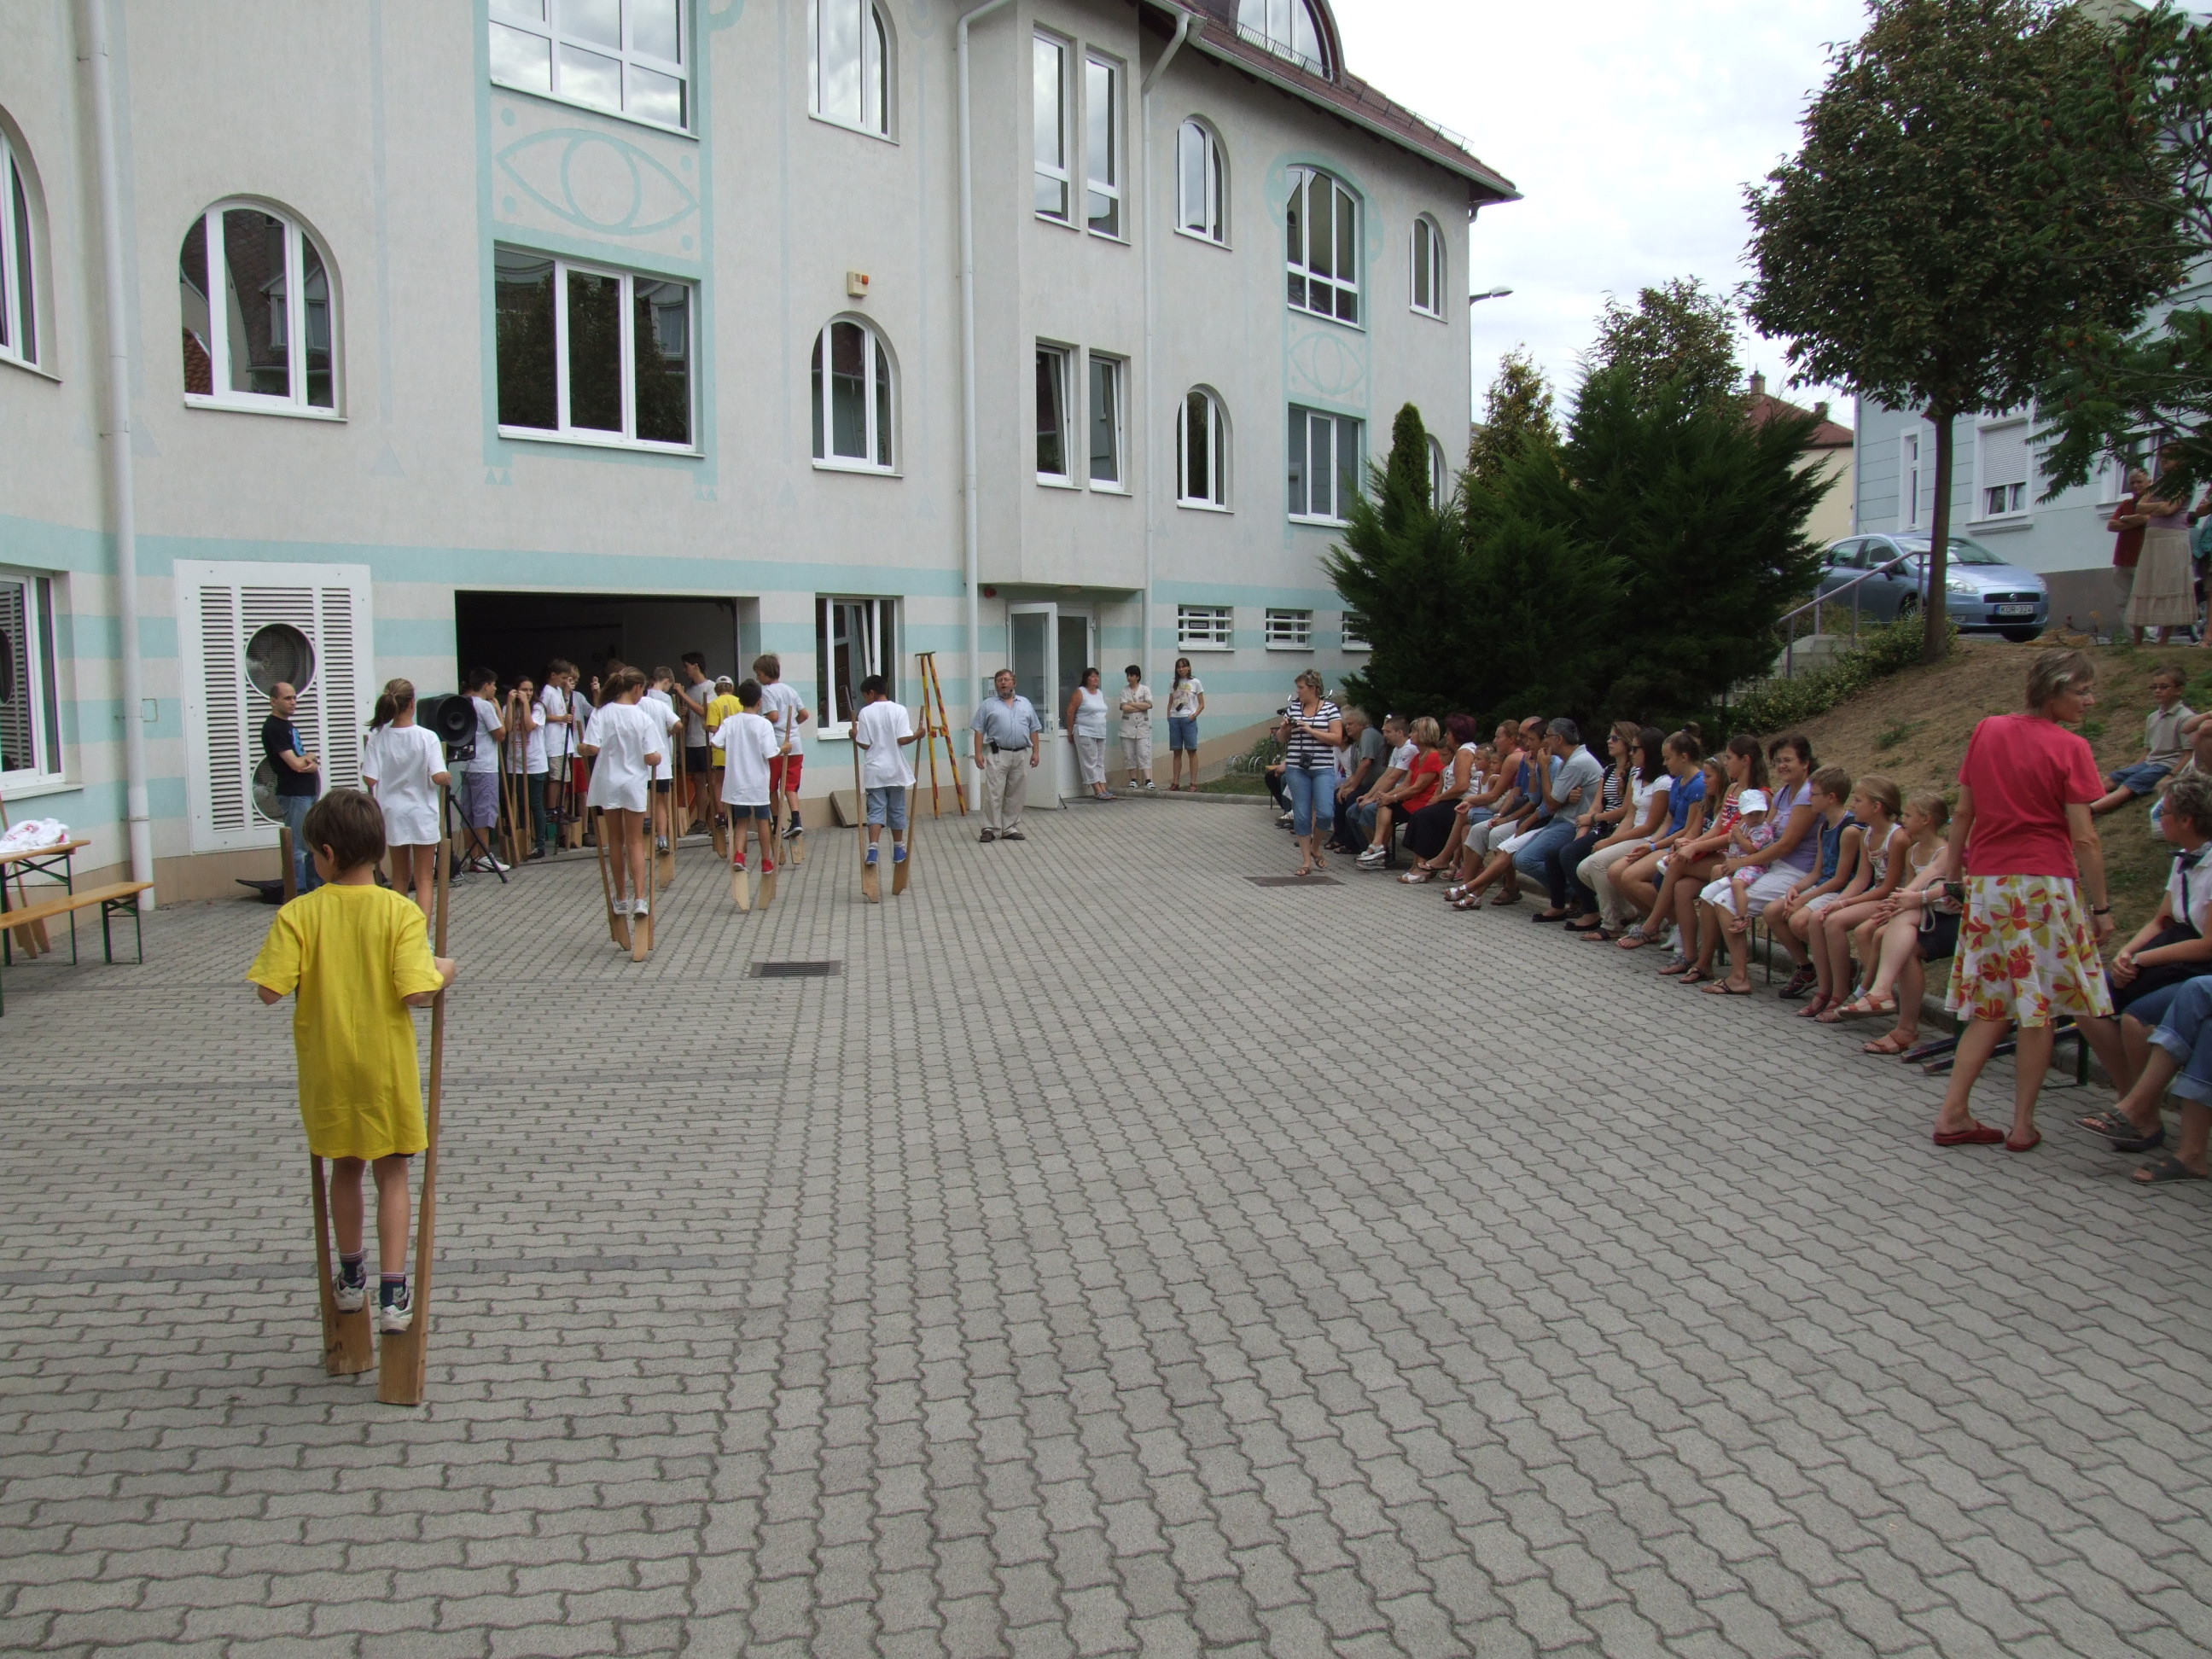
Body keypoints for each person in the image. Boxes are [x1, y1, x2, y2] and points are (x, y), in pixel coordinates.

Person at [248, 788, 457, 1336]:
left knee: (344, 1167)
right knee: (394, 1172)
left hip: (328, 1067)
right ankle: (394, 1292)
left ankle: (350, 1275)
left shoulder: (300, 914)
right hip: (385, 1070)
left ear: (327, 853)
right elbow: (417, 992)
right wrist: (445, 970)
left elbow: (269, 990)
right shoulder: (401, 912)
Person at [1931, 649, 2117, 1152]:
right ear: (2054, 691)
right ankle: (2022, 1125)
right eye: (2082, 691)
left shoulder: (1987, 730)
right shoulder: (2071, 747)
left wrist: (1954, 879)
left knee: (1992, 1005)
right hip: (2043, 886)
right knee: (2040, 1008)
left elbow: (1964, 814)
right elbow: (2085, 837)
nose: (2090, 700)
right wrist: (2101, 908)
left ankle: (1953, 1112)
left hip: (1989, 883)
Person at [1842, 795, 1959, 1056]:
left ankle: (1878, 993)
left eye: (1907, 815)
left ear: (1926, 820)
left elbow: (1957, 886)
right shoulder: (1918, 850)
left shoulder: (1949, 848)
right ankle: (1888, 1004)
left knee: (1893, 934)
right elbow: (1920, 881)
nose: (1901, 819)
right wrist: (1900, 901)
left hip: (1956, 916)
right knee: (1898, 939)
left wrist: (1915, 898)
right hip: (1930, 912)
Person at [1804, 776, 1907, 1017]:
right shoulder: (1868, 834)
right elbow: (1861, 879)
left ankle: (1842, 993)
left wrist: (1845, 903)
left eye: (1859, 801)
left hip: (1891, 898)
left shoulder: (1898, 837)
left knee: (1834, 922)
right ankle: (1826, 989)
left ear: (1876, 806)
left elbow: (1888, 888)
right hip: (1876, 895)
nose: (1853, 805)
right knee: (1819, 916)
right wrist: (1835, 903)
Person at [1571, 726, 1672, 939]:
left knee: (1598, 864)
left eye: (1636, 749)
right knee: (1584, 869)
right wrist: (1612, 840)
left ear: (1649, 751)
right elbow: (1629, 817)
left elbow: (1650, 825)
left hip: (1649, 837)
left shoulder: (1663, 782)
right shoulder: (1637, 778)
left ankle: (1611, 924)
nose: (1632, 753)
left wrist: (1610, 843)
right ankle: (1630, 912)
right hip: (1634, 833)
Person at [582, 667, 665, 924]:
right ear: (637, 688)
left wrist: (581, 746)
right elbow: (651, 757)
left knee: (615, 841)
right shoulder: (642, 718)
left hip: (608, 782)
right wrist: (657, 757)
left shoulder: (601, 712)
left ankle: (621, 897)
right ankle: (640, 898)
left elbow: (591, 747)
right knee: (636, 842)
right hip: (633, 784)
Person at [362, 678, 450, 919]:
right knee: (424, 878)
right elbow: (437, 776)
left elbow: (370, 779)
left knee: (399, 876)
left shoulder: (378, 738)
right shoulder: (427, 737)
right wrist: (446, 777)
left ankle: (399, 929)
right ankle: (421, 934)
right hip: (422, 811)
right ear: (412, 703)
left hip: (392, 812)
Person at [1612, 731, 1708, 948]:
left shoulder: (1698, 785)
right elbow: (1668, 821)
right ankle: (1667, 922)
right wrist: (1650, 844)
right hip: (1666, 841)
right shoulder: (1678, 782)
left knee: (1630, 877)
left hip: (1679, 844)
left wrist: (1655, 846)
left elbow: (1688, 830)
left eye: (1668, 758)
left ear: (1683, 757)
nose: (1664, 763)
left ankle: (1679, 924)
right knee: (1617, 873)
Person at [1515, 719, 1604, 918]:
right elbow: (1553, 798)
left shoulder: (1577, 763)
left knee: (1525, 859)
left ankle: (1579, 892)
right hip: (1562, 819)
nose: (1545, 740)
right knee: (1535, 856)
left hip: (1573, 823)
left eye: (1547, 736)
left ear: (1559, 739)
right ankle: (1563, 900)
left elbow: (1551, 802)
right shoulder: (1569, 760)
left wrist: (1545, 768)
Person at [2093, 663, 2193, 815]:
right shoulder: (2153, 717)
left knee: (2128, 786)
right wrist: (2131, 769)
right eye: (2154, 687)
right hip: (2150, 763)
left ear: (2179, 690)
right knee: (2111, 779)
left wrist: (2171, 775)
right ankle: (2076, 802)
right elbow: (2147, 751)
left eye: (2164, 687)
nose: (2158, 691)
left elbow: (2189, 754)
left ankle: (2088, 811)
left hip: (2167, 765)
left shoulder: (2186, 718)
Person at [712, 678, 784, 879]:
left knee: (742, 821)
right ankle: (766, 860)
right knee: (763, 821)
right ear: (760, 702)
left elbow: (715, 742)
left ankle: (739, 856)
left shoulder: (730, 722)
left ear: (740, 700)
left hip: (737, 782)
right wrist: (783, 749)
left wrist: (730, 746)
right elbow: (769, 753)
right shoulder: (763, 724)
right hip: (758, 783)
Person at [853, 674, 921, 877]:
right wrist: (918, 734)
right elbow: (903, 739)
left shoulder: (865, 713)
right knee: (897, 809)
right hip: (896, 770)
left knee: (876, 810)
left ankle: (873, 848)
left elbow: (866, 744)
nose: (866, 699)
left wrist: (854, 736)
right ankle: (898, 847)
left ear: (871, 693)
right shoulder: (899, 710)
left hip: (875, 771)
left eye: (865, 695)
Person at [1279, 670, 1344, 878]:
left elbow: (1337, 738)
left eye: (1301, 688)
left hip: (1322, 767)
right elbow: (1281, 739)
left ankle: (1316, 847)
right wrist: (1285, 729)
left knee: (1325, 813)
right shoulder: (1293, 708)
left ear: (1314, 689)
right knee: (1302, 814)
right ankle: (1306, 860)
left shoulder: (1330, 709)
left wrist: (1310, 730)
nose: (1298, 692)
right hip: (1297, 767)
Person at [1399, 715, 1481, 881]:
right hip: (1455, 800)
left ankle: (1424, 867)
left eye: (1448, 732)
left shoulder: (1464, 753)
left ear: (1457, 734)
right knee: (1422, 814)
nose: (1445, 735)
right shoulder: (1462, 751)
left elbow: (1462, 786)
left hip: (1463, 801)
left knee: (1426, 817)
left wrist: (1439, 798)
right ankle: (1417, 864)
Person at [1359, 714, 1441, 871]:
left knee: (1387, 804)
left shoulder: (1433, 757)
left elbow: (1417, 787)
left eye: (1414, 732)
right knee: (1384, 804)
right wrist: (1387, 796)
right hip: (1413, 799)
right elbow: (1406, 784)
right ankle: (1377, 845)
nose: (1410, 735)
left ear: (1424, 734)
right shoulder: (1418, 757)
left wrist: (1393, 797)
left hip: (1424, 802)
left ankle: (1378, 848)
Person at [262, 680, 322, 894]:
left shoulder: (288, 726)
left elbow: (305, 761)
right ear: (273, 701)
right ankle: (298, 891)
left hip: (307, 791)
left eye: (295, 697)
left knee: (313, 843)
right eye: (287, 698)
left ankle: (315, 888)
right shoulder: (274, 728)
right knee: (298, 847)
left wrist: (310, 761)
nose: (293, 702)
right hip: (294, 794)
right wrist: (309, 757)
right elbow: (296, 764)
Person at [970, 667, 1041, 842]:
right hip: (998, 753)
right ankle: (990, 828)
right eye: (999, 680)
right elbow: (979, 730)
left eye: (1006, 679)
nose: (1003, 683)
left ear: (1014, 683)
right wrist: (978, 753)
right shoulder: (988, 705)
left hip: (1020, 754)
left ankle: (1010, 828)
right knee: (994, 792)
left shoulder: (1025, 703)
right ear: (996, 684)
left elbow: (1034, 728)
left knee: (1016, 793)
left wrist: (1036, 752)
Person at [2128, 460, 2196, 644]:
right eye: (2161, 457)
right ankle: (2137, 640)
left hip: (2173, 537)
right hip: (2152, 537)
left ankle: (2163, 640)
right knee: (2144, 582)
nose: (2163, 461)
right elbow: (2140, 506)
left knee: (2169, 583)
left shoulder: (2184, 483)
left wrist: (2155, 508)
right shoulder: (2158, 483)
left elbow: (2169, 509)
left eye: (2168, 457)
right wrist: (2158, 507)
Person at [754, 654, 811, 843]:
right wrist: (793, 725)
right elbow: (804, 714)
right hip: (795, 745)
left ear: (766, 673)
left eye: (759, 674)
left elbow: (774, 716)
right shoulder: (790, 690)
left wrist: (758, 720)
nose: (758, 678)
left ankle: (777, 821)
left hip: (777, 745)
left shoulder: (768, 692)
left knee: (771, 785)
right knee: (790, 786)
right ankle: (796, 819)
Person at [459, 667, 509, 873]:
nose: (495, 689)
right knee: (484, 813)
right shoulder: (485, 706)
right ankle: (485, 856)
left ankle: (473, 856)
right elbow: (500, 734)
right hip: (485, 767)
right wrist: (498, 710)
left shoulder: (463, 703)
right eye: (494, 685)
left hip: (466, 765)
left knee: (469, 814)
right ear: (486, 685)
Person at [1330, 708, 1388, 853]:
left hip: (1376, 784)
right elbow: (1355, 773)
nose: (1347, 727)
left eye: (1351, 724)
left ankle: (1353, 844)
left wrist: (1352, 787)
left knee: (1351, 797)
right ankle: (1340, 837)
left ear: (1362, 724)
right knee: (1338, 794)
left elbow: (1366, 762)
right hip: (1365, 783)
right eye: (1346, 724)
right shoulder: (1356, 743)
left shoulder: (1368, 734)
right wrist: (1345, 786)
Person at [505, 676, 548, 860]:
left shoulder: (538, 708)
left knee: (535, 804)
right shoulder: (510, 707)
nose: (528, 693)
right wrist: (509, 703)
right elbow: (507, 728)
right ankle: (524, 841)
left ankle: (540, 844)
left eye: (530, 690)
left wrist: (525, 705)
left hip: (535, 763)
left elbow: (529, 726)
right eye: (524, 690)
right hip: (515, 763)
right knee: (521, 804)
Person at [539, 660, 579, 844]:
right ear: (553, 675)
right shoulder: (547, 691)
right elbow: (542, 715)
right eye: (563, 678)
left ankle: (560, 807)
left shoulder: (557, 691)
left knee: (564, 777)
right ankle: (551, 808)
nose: (565, 681)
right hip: (553, 741)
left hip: (564, 740)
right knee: (556, 777)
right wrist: (560, 718)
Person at [644, 668, 684, 855]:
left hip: (643, 757)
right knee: (661, 799)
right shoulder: (664, 701)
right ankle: (662, 838)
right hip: (662, 756)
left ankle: (645, 827)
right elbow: (677, 724)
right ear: (666, 681)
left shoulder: (637, 703)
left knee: (643, 797)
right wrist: (668, 733)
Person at [2110, 467, 2152, 644]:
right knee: (2123, 600)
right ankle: (2131, 636)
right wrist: (2132, 520)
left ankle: (2150, 636)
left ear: (2149, 482)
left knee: (2144, 598)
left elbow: (2147, 519)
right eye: (2132, 483)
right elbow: (2111, 525)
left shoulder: (2154, 502)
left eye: (2139, 482)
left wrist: (2125, 519)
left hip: (2143, 559)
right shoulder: (2126, 504)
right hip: (2122, 559)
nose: (2135, 485)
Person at [677, 652, 715, 835]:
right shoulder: (690, 690)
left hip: (705, 740)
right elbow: (689, 717)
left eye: (686, 666)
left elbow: (705, 712)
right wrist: (683, 715)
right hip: (692, 740)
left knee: (711, 781)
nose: (684, 670)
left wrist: (683, 695)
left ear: (696, 666)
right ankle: (701, 820)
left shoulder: (711, 687)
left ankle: (713, 818)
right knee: (698, 781)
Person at [1065, 667, 1115, 800]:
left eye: (1097, 676)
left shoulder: (1099, 693)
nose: (1095, 679)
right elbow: (1070, 711)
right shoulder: (1080, 692)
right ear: (1086, 679)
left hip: (1100, 732)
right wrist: (1070, 730)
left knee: (1100, 761)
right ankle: (1097, 790)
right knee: (1090, 761)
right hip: (1085, 731)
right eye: (1092, 676)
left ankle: (1104, 788)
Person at [705, 675, 742, 838]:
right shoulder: (739, 702)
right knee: (736, 781)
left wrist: (706, 726)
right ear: (731, 688)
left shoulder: (715, 704)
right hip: (738, 750)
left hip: (721, 750)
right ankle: (738, 811)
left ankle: (721, 814)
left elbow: (713, 727)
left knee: (718, 782)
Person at [1166, 659, 1205, 791]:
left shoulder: (1195, 682)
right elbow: (1170, 701)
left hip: (1188, 719)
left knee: (1191, 750)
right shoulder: (1173, 682)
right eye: (1179, 667)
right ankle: (1176, 782)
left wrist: (1193, 715)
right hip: (1175, 719)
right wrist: (1169, 715)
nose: (1181, 669)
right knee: (1177, 751)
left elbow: (1202, 704)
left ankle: (1193, 783)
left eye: (1183, 667)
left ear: (1189, 668)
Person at [1118, 666, 1155, 792]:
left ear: (1137, 677)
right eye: (1127, 675)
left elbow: (1149, 705)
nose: (1129, 678)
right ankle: (1133, 779)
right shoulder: (1124, 691)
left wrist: (1132, 704)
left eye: (1131, 675)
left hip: (1142, 728)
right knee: (1129, 754)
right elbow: (1124, 707)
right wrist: (1140, 706)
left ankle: (1148, 780)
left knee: (1144, 753)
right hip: (1127, 728)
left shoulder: (1145, 689)